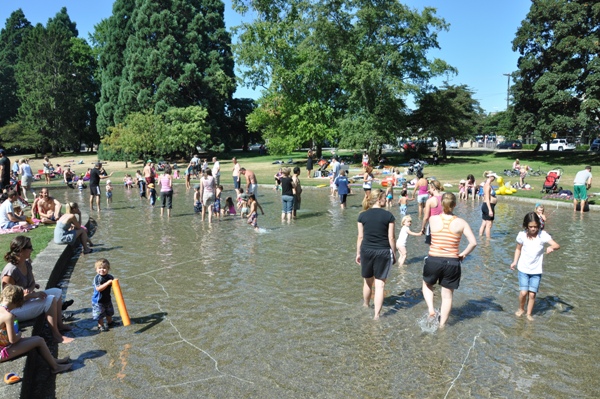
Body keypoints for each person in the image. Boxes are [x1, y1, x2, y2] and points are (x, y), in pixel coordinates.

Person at [1, 236, 75, 343]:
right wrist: (31, 295)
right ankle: (57, 336)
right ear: (21, 250)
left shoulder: (26, 263)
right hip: (14, 309)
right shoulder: (10, 271)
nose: (32, 250)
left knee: (57, 292)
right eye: (30, 247)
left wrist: (30, 291)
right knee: (49, 300)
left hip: (25, 300)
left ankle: (60, 325)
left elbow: (32, 284)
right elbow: (8, 299)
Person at [422, 193, 477, 327]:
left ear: (441, 204)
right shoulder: (461, 222)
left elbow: (429, 238)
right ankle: (442, 326)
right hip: (452, 262)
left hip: (434, 259)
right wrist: (463, 254)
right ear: (455, 205)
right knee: (447, 296)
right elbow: (473, 243)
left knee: (427, 285)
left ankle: (431, 309)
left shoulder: (432, 219)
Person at [0, 285, 72, 373]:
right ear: (18, 302)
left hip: (2, 345)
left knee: (38, 339)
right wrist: (19, 334)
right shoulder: (8, 316)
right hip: (2, 352)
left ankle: (54, 360)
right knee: (39, 341)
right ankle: (56, 368)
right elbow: (13, 340)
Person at [510, 212, 560, 321]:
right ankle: (521, 308)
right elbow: (518, 249)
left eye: (535, 227)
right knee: (523, 292)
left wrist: (552, 248)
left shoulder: (543, 235)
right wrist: (514, 261)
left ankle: (529, 314)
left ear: (539, 225)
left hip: (536, 271)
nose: (533, 229)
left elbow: (557, 245)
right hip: (523, 268)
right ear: (526, 226)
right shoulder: (522, 235)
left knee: (532, 295)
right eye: (530, 227)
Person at [356, 189, 396, 320]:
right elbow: (391, 238)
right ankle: (376, 316)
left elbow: (360, 237)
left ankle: (366, 305)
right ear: (379, 199)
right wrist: (394, 254)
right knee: (380, 285)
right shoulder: (388, 216)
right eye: (385, 197)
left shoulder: (362, 216)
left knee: (367, 282)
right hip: (383, 251)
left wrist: (358, 253)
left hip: (366, 251)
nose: (386, 199)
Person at [92, 258, 116, 332]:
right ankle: (100, 325)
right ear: (96, 270)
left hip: (107, 299)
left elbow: (114, 286)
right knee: (100, 314)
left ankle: (110, 322)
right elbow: (98, 289)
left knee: (109, 312)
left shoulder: (110, 277)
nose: (102, 270)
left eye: (104, 268)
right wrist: (108, 283)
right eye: (100, 268)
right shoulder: (97, 278)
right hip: (98, 301)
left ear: (108, 269)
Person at [420, 179, 444, 244]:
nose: (429, 190)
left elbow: (426, 217)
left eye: (429, 188)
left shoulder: (430, 201)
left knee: (431, 245)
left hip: (433, 225)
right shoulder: (443, 198)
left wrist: (423, 227)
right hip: (443, 224)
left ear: (433, 188)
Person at [479, 172, 498, 238]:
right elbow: (487, 198)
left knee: (484, 223)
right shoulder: (487, 186)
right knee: (489, 225)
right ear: (491, 177)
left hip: (486, 206)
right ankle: (488, 240)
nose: (494, 179)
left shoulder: (487, 185)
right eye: (494, 177)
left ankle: (480, 237)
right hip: (488, 206)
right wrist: (490, 210)